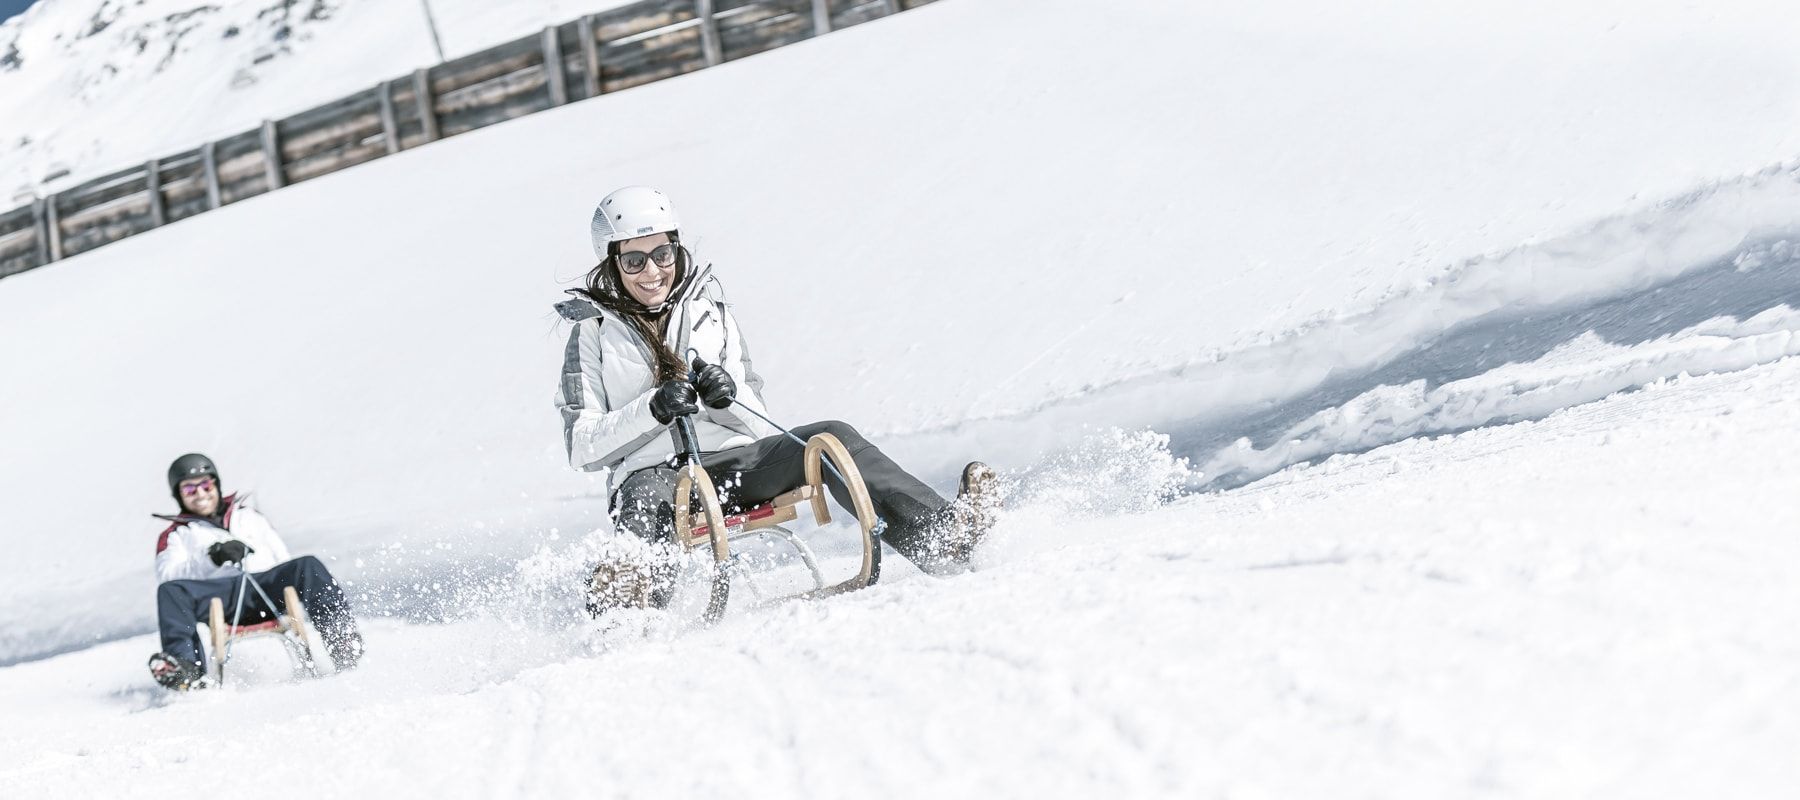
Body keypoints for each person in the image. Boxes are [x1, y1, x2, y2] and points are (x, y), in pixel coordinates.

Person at [554, 186, 997, 609]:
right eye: (633, 260)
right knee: (642, 496)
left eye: (661, 254)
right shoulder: (591, 335)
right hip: (659, 482)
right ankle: (629, 606)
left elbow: (761, 426)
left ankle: (943, 537)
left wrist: (724, 397)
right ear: (611, 264)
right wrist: (651, 409)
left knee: (831, 439)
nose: (652, 272)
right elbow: (583, 447)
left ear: (676, 249)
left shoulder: (712, 314)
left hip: (735, 469)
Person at [146, 453, 363, 689]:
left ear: (216, 484)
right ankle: (185, 669)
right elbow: (167, 575)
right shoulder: (177, 535)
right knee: (170, 592)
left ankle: (342, 639)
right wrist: (212, 558)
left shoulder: (248, 516)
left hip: (265, 588)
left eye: (205, 485)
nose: (200, 494)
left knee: (307, 566)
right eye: (189, 489)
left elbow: (282, 557)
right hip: (220, 597)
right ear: (179, 495)